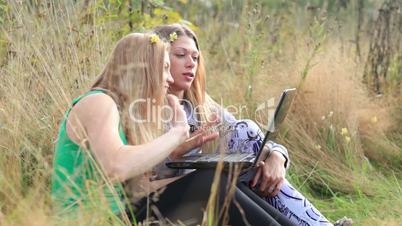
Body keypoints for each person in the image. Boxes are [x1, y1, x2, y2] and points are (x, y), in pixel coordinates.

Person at [50, 32, 296, 226]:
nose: (168, 79)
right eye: (165, 68)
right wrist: (176, 133)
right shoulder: (99, 102)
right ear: (144, 67)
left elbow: (139, 189)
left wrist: (195, 178)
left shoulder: (122, 113)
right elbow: (115, 167)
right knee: (209, 181)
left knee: (219, 178)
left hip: (123, 214)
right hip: (94, 220)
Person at [153, 23, 337, 226]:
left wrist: (277, 157)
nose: (191, 64)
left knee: (252, 152)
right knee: (246, 134)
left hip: (221, 190)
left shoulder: (202, 104)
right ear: (160, 59)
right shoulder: (145, 108)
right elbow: (146, 177)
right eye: (181, 55)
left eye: (195, 58)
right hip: (182, 196)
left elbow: (252, 141)